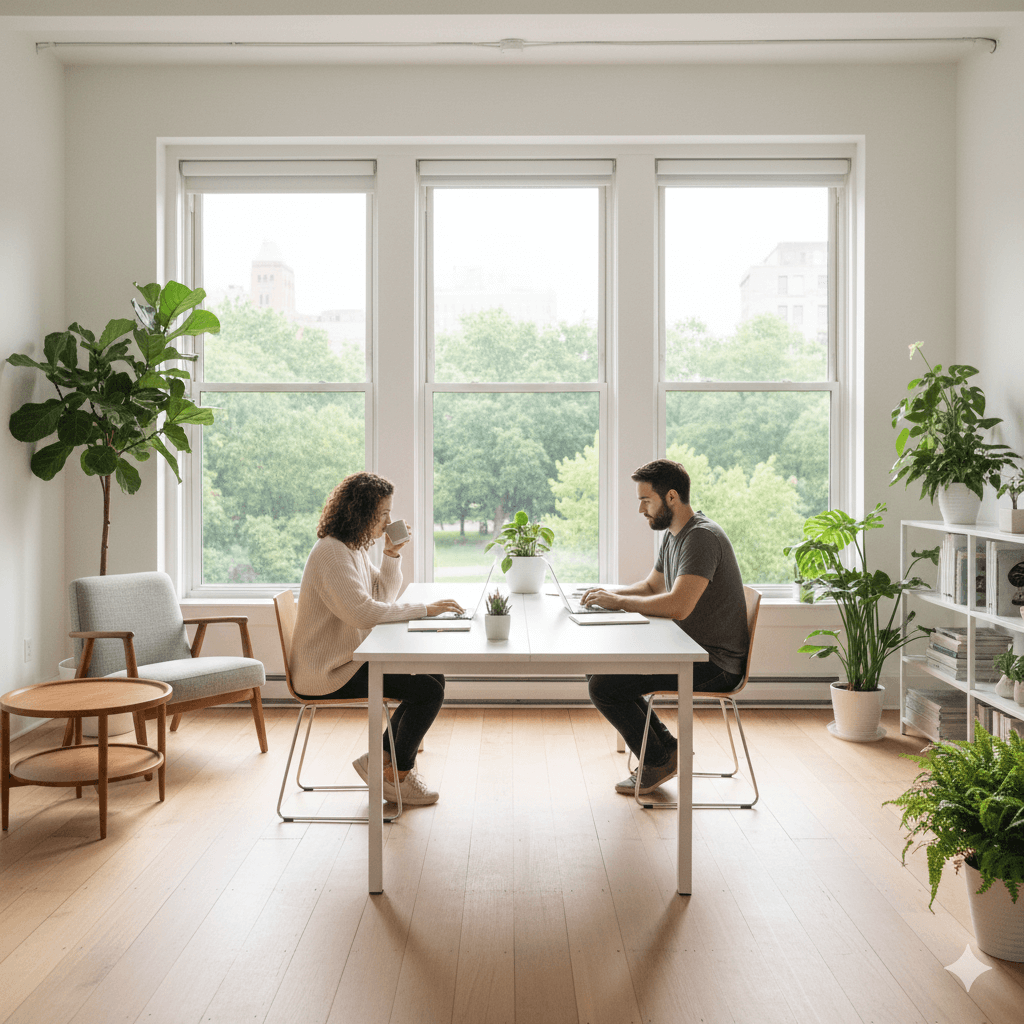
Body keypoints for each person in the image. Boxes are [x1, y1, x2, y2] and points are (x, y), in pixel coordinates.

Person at [290, 472, 464, 806]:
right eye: (382, 513)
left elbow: (382, 598)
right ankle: (397, 775)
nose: (388, 522)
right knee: (427, 691)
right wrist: (425, 610)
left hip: (346, 661)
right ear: (360, 512)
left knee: (433, 678)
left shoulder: (351, 549)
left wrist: (391, 555)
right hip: (327, 673)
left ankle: (381, 760)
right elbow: (363, 614)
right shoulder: (332, 553)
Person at [584, 459, 749, 795]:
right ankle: (667, 750)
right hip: (690, 651)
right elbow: (651, 587)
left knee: (604, 686)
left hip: (715, 664)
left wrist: (619, 602)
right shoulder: (675, 535)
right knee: (599, 667)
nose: (641, 510)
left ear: (671, 497)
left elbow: (677, 605)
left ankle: (658, 759)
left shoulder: (701, 538)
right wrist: (608, 595)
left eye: (646, 500)